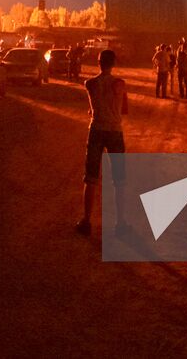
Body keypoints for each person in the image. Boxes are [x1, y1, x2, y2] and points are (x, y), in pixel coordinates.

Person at [76, 49, 129, 236]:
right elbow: (124, 109)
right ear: (113, 63)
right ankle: (120, 223)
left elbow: (93, 108)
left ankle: (86, 220)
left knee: (90, 176)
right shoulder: (120, 84)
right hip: (115, 131)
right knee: (119, 179)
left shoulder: (89, 84)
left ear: (99, 63)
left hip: (96, 130)